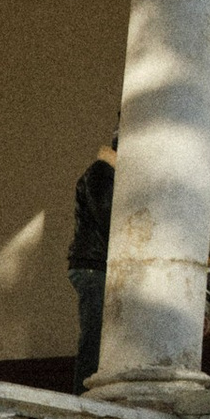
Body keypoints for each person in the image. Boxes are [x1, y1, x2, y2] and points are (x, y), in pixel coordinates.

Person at [68, 138, 116, 389]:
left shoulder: (106, 173)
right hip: (94, 265)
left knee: (98, 335)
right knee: (94, 336)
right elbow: (109, 219)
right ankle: (83, 395)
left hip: (95, 263)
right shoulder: (103, 172)